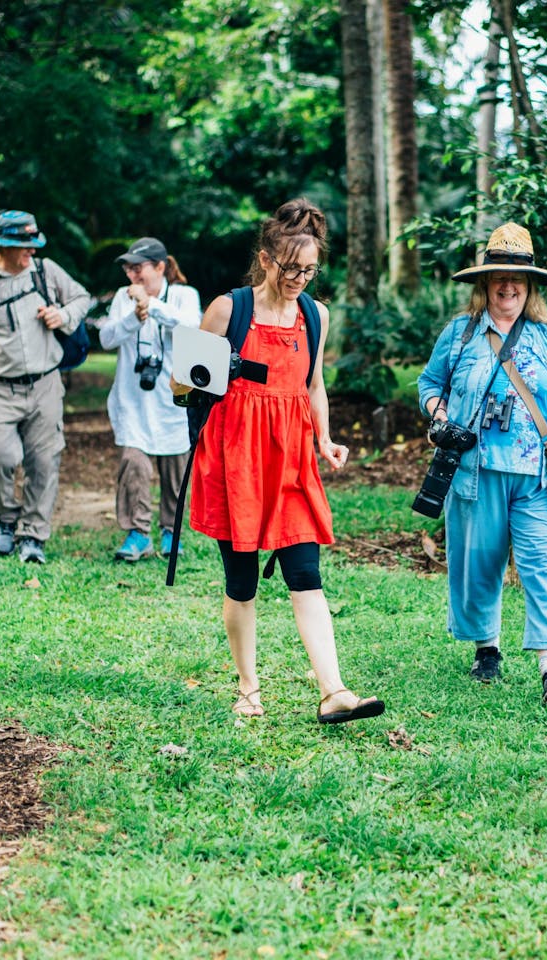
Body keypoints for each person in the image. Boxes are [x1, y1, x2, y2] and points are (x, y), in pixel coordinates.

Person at [177, 198, 385, 725]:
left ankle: (334, 691)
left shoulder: (316, 314)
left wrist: (325, 439)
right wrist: (201, 369)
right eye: (291, 268)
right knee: (241, 580)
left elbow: (313, 384)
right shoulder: (229, 309)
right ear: (267, 258)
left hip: (290, 455)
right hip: (235, 454)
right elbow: (182, 384)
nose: (300, 279)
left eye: (310, 270)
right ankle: (248, 687)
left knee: (305, 572)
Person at [417, 222, 547, 706]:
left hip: (539, 477)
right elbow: (429, 384)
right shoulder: (460, 334)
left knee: (545, 565)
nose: (508, 286)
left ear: (530, 285)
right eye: (498, 276)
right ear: (485, 283)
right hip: (475, 472)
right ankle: (487, 648)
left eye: (517, 278)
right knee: (479, 564)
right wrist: (439, 416)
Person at [0, 210, 92, 564]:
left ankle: (33, 536)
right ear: (2, 246)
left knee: (44, 461)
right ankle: (7, 522)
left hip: (45, 384)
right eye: (25, 246)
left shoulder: (46, 272)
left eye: (34, 245)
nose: (32, 252)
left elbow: (82, 298)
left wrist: (64, 316)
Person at [98, 237, 201, 561]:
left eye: (138, 268)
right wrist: (135, 316)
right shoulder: (121, 297)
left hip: (173, 397)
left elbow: (193, 326)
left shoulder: (184, 295)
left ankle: (172, 531)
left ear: (160, 267)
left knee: (175, 468)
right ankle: (137, 533)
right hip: (133, 399)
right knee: (133, 462)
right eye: (128, 269)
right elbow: (105, 337)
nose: (132, 275)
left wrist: (151, 305)